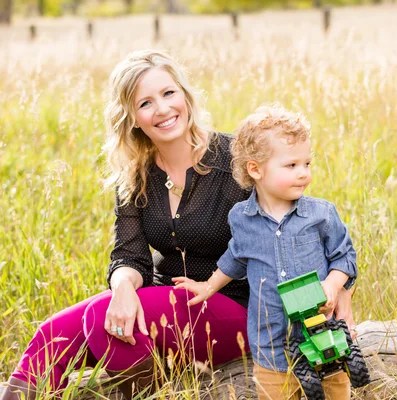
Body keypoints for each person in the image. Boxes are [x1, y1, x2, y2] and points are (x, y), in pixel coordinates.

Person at [1, 50, 254, 400]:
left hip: (233, 305)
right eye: (145, 103)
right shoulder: (136, 175)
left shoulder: (236, 159)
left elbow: (295, 224)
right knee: (50, 337)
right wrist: (122, 288)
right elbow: (129, 255)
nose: (163, 109)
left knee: (103, 321)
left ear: (185, 95)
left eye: (168, 93)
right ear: (132, 117)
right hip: (162, 302)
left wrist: (337, 287)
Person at [173, 104, 358, 400]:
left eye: (307, 164)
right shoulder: (241, 218)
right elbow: (236, 257)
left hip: (323, 340)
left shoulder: (320, 215)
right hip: (271, 350)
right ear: (255, 169)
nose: (303, 174)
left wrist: (333, 285)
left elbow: (344, 257)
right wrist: (208, 286)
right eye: (291, 166)